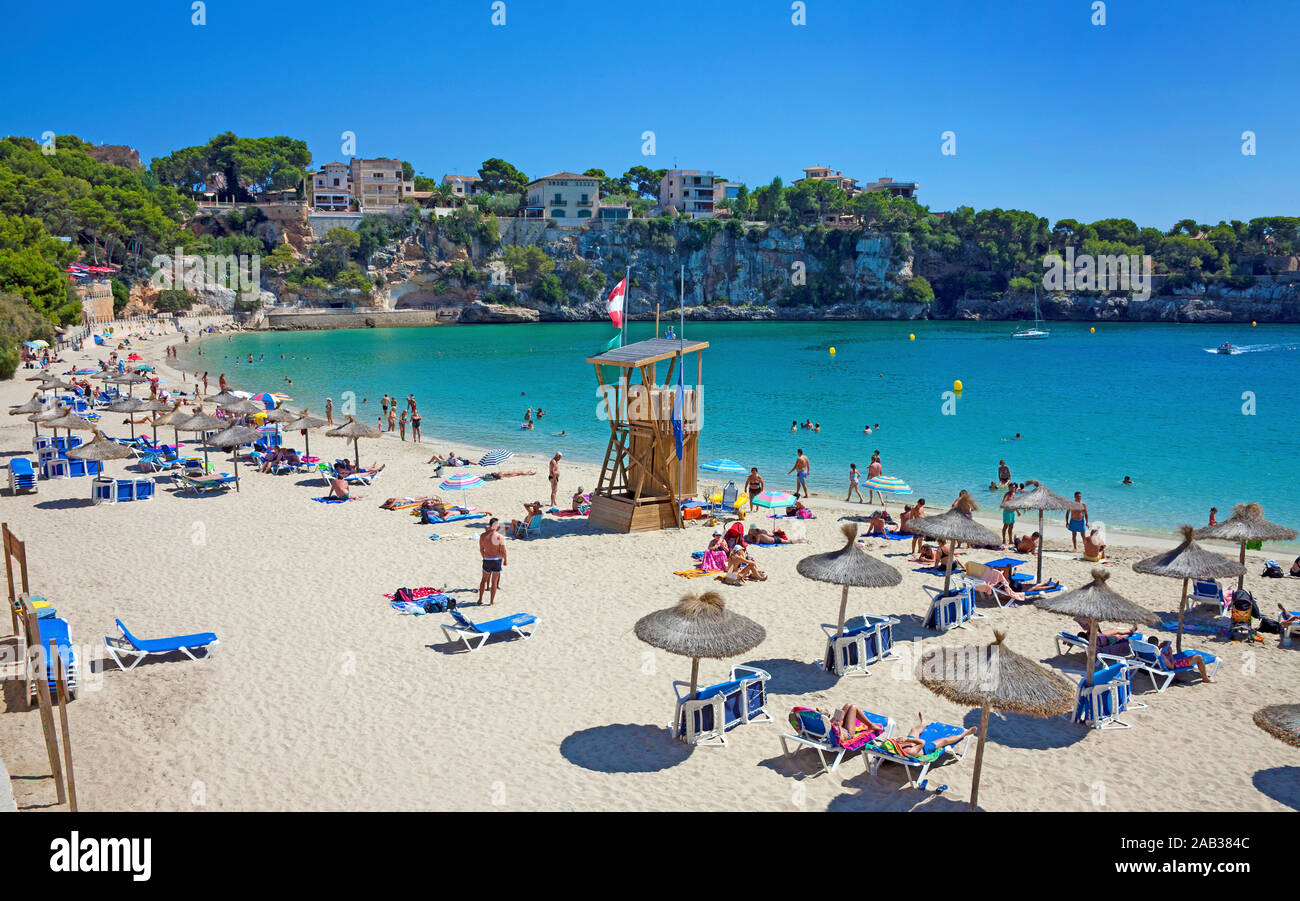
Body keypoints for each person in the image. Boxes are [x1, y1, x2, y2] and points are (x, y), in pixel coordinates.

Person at [887, 715, 977, 759]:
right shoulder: (911, 751)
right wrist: (907, 739)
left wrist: (903, 742)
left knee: (914, 730)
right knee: (944, 740)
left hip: (910, 744)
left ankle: (923, 724)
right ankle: (964, 734)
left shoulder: (892, 749)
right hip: (925, 748)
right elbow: (922, 742)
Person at [478, 519, 507, 605]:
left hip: (487, 559)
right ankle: (491, 601)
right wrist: (505, 560)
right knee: (494, 582)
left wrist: (484, 556)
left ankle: (480, 599)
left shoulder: (483, 536)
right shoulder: (499, 536)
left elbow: (481, 549)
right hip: (496, 560)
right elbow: (503, 551)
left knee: (483, 580)